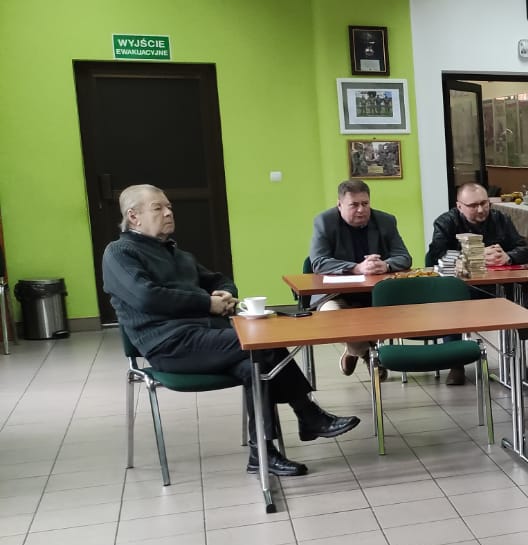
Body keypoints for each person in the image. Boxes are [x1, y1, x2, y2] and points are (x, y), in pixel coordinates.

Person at [102, 185, 358, 477]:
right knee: (261, 344)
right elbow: (147, 297)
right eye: (158, 208)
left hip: (207, 337)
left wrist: (224, 293)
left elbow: (219, 279)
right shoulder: (120, 253)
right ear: (133, 217)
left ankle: (262, 454)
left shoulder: (176, 253)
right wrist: (207, 303)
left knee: (254, 365)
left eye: (169, 206)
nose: (169, 212)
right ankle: (308, 414)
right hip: (169, 344)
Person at [425, 182, 528, 385]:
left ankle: (514, 359)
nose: (481, 209)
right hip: (462, 288)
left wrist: (507, 256)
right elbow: (435, 256)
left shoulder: (500, 219)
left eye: (484, 203)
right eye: (473, 205)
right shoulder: (446, 222)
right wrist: (473, 255)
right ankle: (455, 363)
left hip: (498, 287)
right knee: (450, 298)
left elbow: (523, 249)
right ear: (459, 206)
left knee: (519, 295)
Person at [310, 179, 413, 375]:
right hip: (336, 294)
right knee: (330, 318)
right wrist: (357, 268)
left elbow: (404, 257)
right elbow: (319, 262)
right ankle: (367, 353)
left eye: (365, 204)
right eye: (354, 205)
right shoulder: (324, 221)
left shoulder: (385, 221)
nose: (361, 210)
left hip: (375, 293)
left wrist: (386, 265)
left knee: (396, 313)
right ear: (339, 205)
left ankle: (354, 349)